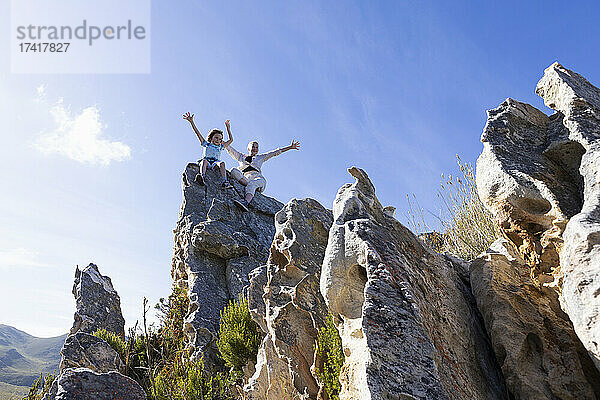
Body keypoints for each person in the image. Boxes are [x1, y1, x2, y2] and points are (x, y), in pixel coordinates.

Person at [225, 121, 300, 211]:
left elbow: (275, 152)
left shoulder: (260, 158)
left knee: (252, 184)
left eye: (257, 147)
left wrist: (290, 147)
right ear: (248, 148)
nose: (255, 149)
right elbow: (229, 148)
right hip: (245, 178)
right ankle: (248, 185)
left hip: (258, 179)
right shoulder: (241, 156)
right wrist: (227, 130)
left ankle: (245, 202)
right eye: (253, 146)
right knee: (233, 171)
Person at [183, 112, 233, 188]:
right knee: (204, 161)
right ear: (211, 137)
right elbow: (197, 133)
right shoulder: (206, 144)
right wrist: (192, 122)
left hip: (215, 163)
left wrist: (228, 128)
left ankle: (225, 181)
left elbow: (231, 140)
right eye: (216, 137)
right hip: (206, 161)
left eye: (220, 139)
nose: (218, 140)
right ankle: (202, 176)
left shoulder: (220, 147)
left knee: (222, 163)